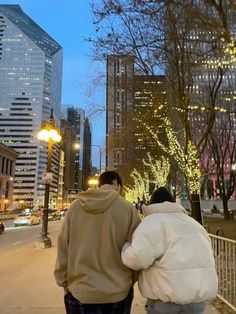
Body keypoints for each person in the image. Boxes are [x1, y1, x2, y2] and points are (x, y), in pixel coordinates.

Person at [54, 170, 140, 314]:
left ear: (99, 184)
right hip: (118, 291)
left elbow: (63, 247)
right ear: (115, 183)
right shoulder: (128, 209)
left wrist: (63, 282)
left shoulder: (75, 207)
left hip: (80, 291)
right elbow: (136, 250)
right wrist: (131, 281)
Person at [121, 187, 218, 314]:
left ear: (151, 204)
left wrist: (125, 247)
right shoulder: (195, 225)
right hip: (196, 301)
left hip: (165, 301)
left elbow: (137, 259)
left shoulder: (151, 223)